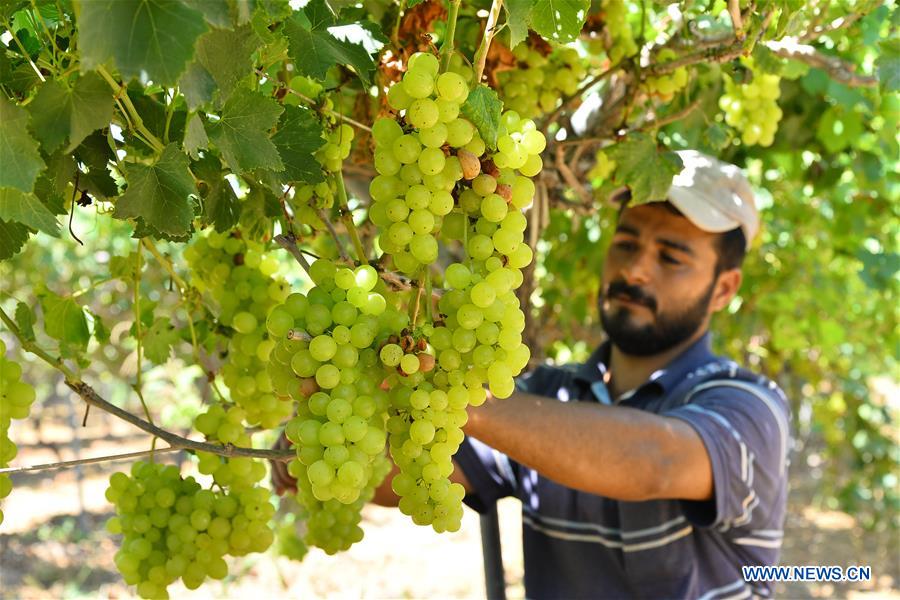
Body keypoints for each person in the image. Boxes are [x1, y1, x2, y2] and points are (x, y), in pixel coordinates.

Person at [272, 150, 793, 600]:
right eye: (627, 243)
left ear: (724, 289)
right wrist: (329, 449)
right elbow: (416, 476)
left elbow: (654, 459)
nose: (635, 270)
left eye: (672, 257)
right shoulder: (548, 395)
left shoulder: (748, 405)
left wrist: (452, 390)